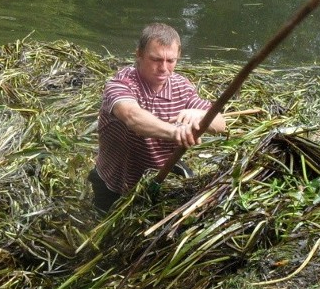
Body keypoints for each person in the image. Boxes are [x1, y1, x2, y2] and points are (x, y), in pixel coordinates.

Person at [89, 22, 226, 212]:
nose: (164, 68)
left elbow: (221, 124)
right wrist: (176, 132)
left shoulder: (182, 87)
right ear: (139, 54)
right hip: (114, 182)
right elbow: (133, 118)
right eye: (156, 59)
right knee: (104, 228)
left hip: (160, 178)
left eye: (171, 61)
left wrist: (201, 115)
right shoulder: (120, 83)